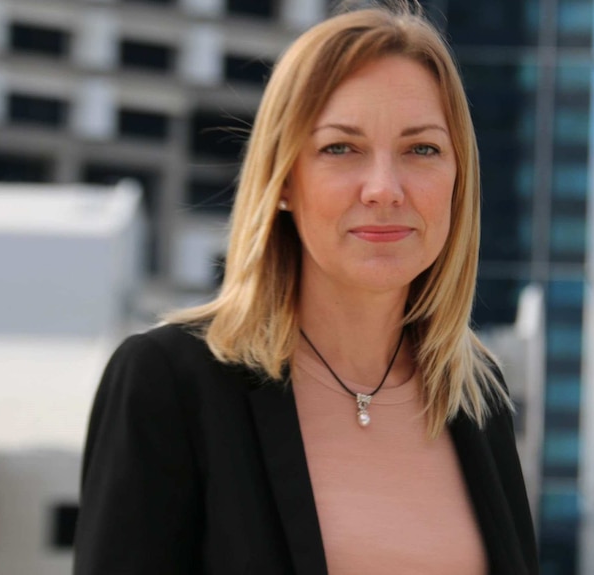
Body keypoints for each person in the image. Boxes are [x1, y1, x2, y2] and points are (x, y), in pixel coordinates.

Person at [73, 3, 538, 574]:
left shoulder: (478, 396)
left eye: (422, 149)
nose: (384, 188)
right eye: (341, 148)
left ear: (457, 180)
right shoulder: (168, 382)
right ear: (285, 179)